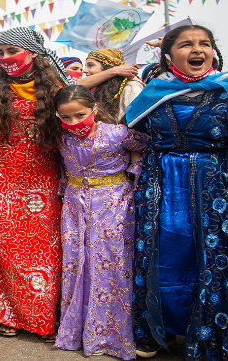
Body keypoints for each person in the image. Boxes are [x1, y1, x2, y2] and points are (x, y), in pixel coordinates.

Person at [126, 24, 228, 360]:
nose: (197, 50)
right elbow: (131, 136)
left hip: (215, 189)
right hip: (159, 188)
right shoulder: (154, 91)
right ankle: (157, 333)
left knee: (212, 258)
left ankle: (211, 334)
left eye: (204, 44)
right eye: (187, 44)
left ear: (213, 52)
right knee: (161, 258)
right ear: (168, 55)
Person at [0, 27, 64, 340]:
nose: (4, 59)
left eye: (10, 51)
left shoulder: (55, 87)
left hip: (42, 179)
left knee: (43, 250)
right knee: (3, 247)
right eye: (0, 53)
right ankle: (7, 313)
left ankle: (41, 317)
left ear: (32, 53)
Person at [54, 85, 148, 360]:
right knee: (75, 262)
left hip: (113, 205)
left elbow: (144, 145)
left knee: (111, 263)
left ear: (94, 109)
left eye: (80, 115)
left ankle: (109, 333)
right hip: (74, 205)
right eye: (66, 118)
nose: (74, 123)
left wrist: (133, 171)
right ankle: (76, 329)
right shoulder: (61, 138)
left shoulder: (118, 133)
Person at [81, 49, 144, 123]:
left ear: (107, 67)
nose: (84, 70)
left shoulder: (131, 87)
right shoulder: (98, 92)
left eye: (90, 65)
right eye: (85, 66)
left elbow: (137, 123)